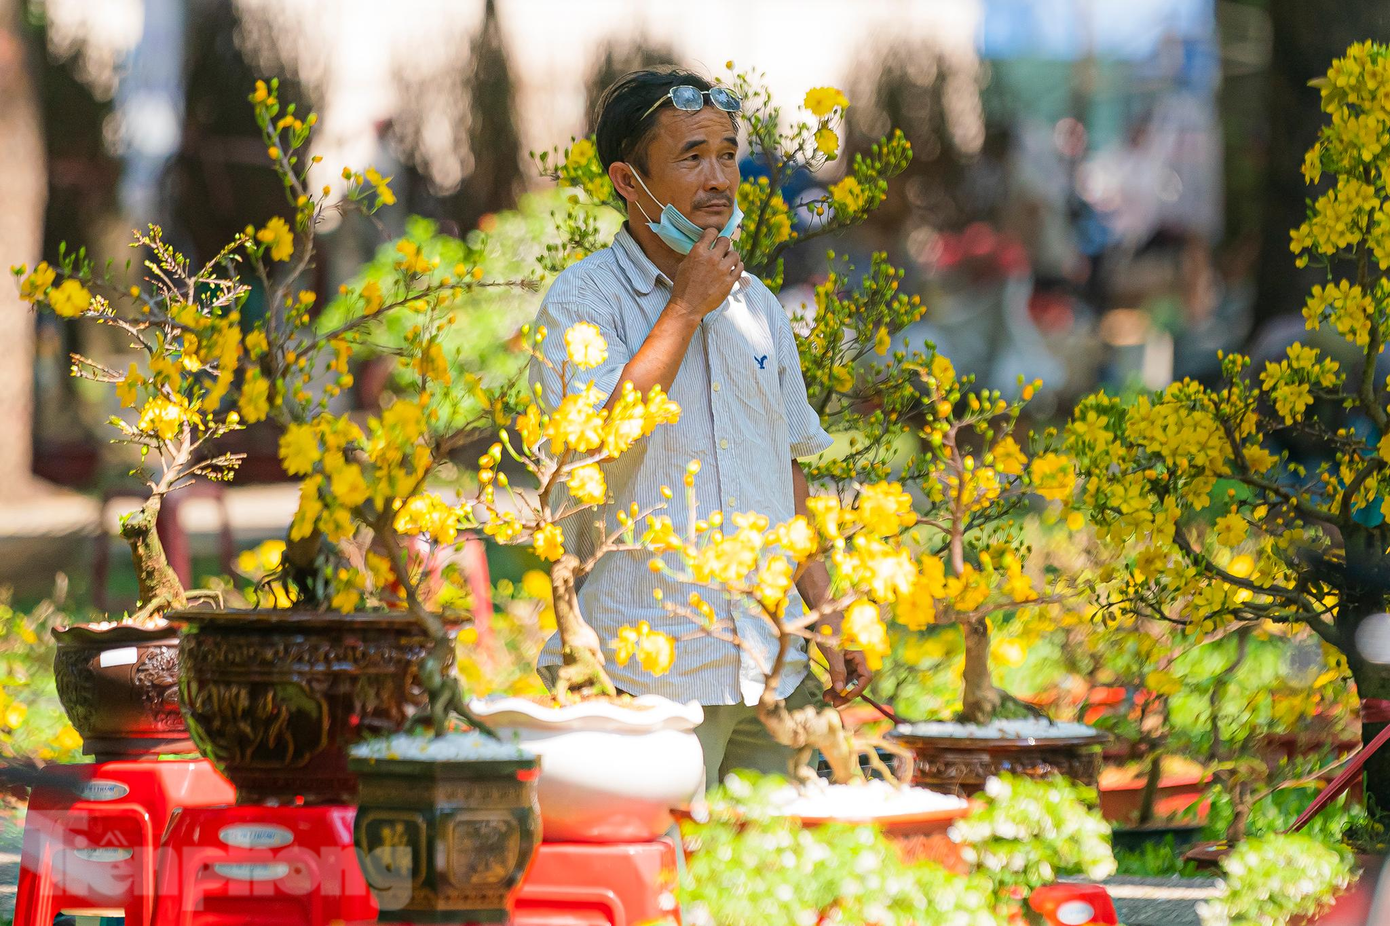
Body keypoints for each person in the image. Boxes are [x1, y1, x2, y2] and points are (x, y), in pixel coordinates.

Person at [528, 67, 872, 788]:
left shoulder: (759, 308)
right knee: (669, 887)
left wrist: (825, 616)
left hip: (770, 664)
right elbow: (593, 444)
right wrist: (683, 309)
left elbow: (786, 474)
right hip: (647, 672)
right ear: (628, 180)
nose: (719, 178)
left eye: (726, 153)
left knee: (777, 890)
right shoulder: (582, 300)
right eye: (691, 157)